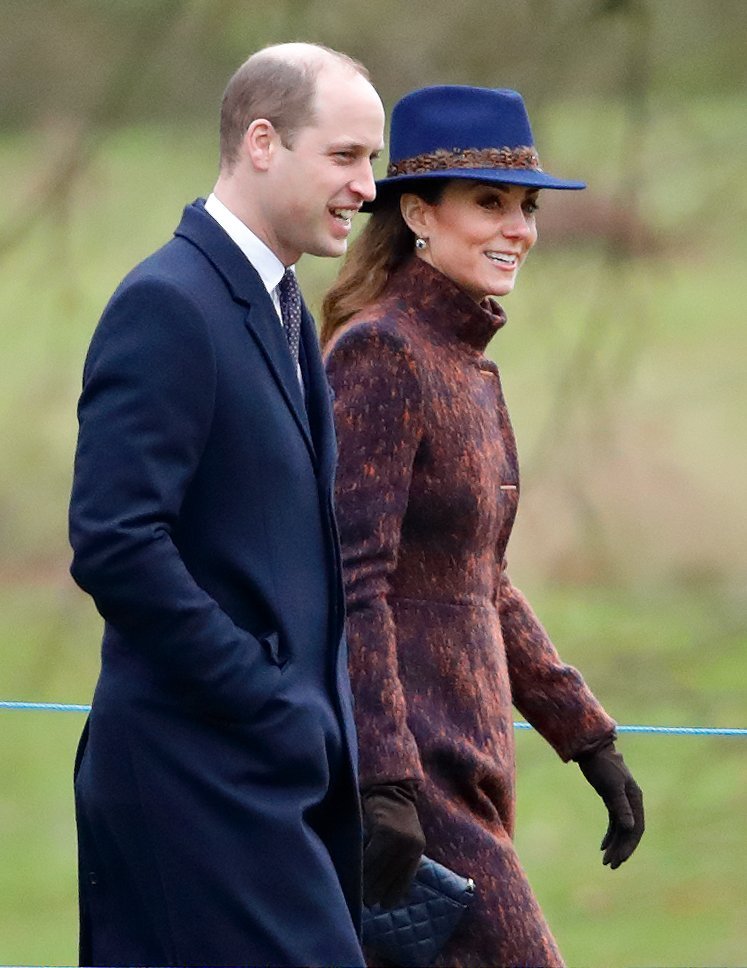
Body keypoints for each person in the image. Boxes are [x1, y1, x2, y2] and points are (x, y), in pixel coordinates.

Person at [68, 42, 384, 967]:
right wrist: (265, 697)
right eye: (345, 156)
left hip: (267, 775)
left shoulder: (280, 305)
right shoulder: (170, 302)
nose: (365, 187)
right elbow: (116, 543)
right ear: (260, 142)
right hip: (192, 771)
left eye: (369, 160)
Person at [322, 85, 644, 967]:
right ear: (419, 213)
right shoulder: (380, 352)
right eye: (490, 203)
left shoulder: (464, 363)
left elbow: (480, 579)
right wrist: (384, 780)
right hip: (414, 769)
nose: (518, 229)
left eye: (527, 207)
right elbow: (356, 580)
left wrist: (587, 737)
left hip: (472, 757)